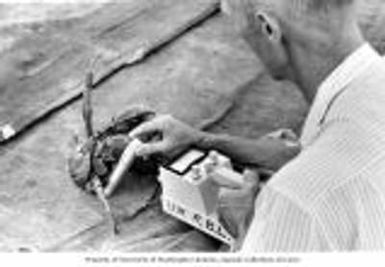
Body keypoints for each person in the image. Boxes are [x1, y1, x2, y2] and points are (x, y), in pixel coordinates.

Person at [129, 0, 385, 252]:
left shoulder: (293, 206)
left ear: (268, 29)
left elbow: (305, 191)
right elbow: (306, 154)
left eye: (241, 30)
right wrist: (200, 140)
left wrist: (246, 225)